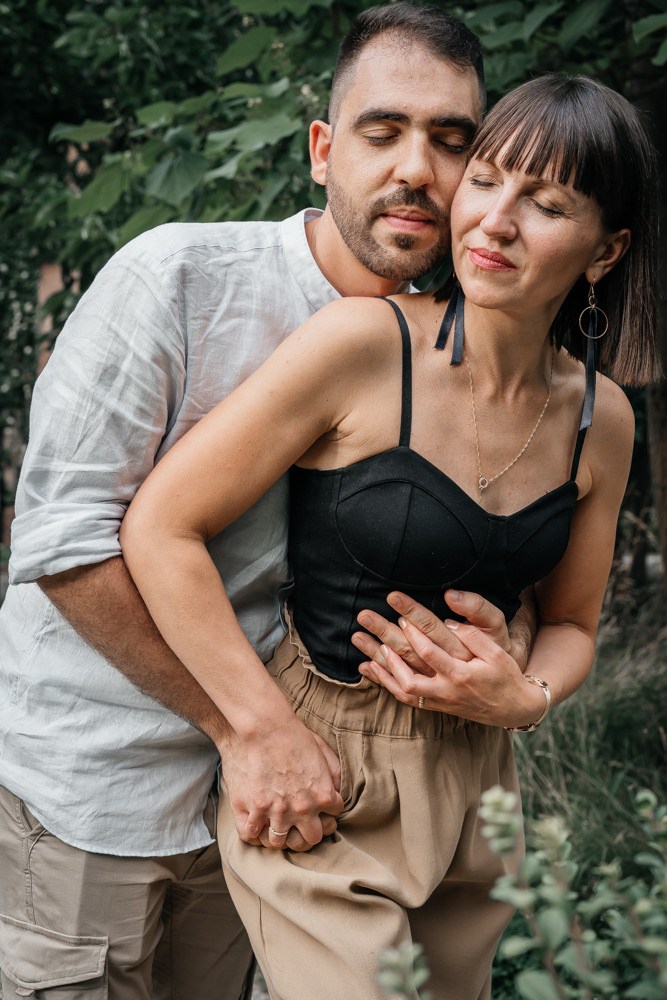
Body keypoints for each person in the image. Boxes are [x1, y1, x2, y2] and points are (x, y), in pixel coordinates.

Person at [0, 6, 528, 998]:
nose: (417, 167)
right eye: (384, 131)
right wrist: (248, 727)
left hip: (280, 818)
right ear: (324, 150)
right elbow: (65, 546)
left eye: (451, 140)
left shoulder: (455, 349)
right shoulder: (179, 278)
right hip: (94, 789)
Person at [120, 72, 659, 1000]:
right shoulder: (363, 344)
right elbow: (162, 526)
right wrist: (258, 730)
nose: (493, 221)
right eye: (485, 179)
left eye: (545, 203)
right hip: (326, 767)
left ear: (603, 250)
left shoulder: (599, 420)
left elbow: (570, 622)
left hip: (479, 789)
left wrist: (524, 698)